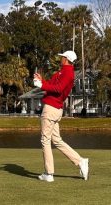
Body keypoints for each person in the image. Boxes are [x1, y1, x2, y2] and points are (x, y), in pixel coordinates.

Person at [33, 50, 89, 182]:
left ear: (66, 59)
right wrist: (42, 81)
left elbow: (58, 89)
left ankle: (49, 173)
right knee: (56, 140)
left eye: (62, 57)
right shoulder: (62, 71)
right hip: (54, 108)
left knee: (45, 140)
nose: (60, 58)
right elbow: (52, 85)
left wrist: (41, 85)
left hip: (51, 108)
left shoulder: (68, 73)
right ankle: (80, 161)